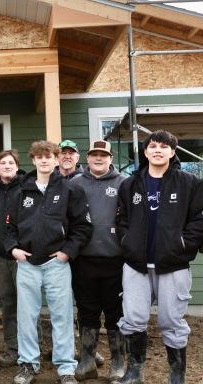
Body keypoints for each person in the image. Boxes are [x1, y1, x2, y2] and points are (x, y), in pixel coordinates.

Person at [115, 130, 203, 384]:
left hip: (173, 265)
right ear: (145, 152)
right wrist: (127, 242)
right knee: (133, 319)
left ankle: (176, 374)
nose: (158, 150)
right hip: (136, 266)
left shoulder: (189, 183)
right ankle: (134, 371)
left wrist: (182, 244)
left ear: (172, 152)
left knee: (172, 321)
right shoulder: (129, 184)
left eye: (164, 147)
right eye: (153, 146)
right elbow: (121, 219)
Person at [4, 140, 92, 384]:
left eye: (49, 156)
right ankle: (28, 364)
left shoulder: (70, 189)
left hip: (57, 264)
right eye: (39, 157)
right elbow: (9, 226)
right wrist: (13, 249)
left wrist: (67, 252)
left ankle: (65, 368)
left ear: (56, 160)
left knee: (61, 316)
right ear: (33, 160)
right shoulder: (21, 190)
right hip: (27, 264)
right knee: (26, 317)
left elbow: (83, 227)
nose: (44, 160)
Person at [70, 140, 127, 381]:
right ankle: (87, 359)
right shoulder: (75, 183)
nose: (98, 159)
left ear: (110, 159)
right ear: (88, 158)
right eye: (94, 155)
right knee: (87, 311)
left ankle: (118, 361)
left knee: (115, 313)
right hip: (83, 259)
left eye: (103, 155)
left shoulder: (123, 183)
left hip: (115, 259)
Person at [0, 149, 25, 367]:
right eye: (2, 163)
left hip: (23, 257)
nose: (7, 166)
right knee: (7, 302)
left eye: (10, 162)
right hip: (0, 257)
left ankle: (31, 349)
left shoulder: (27, 188)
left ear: (17, 166)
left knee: (28, 304)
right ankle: (12, 349)